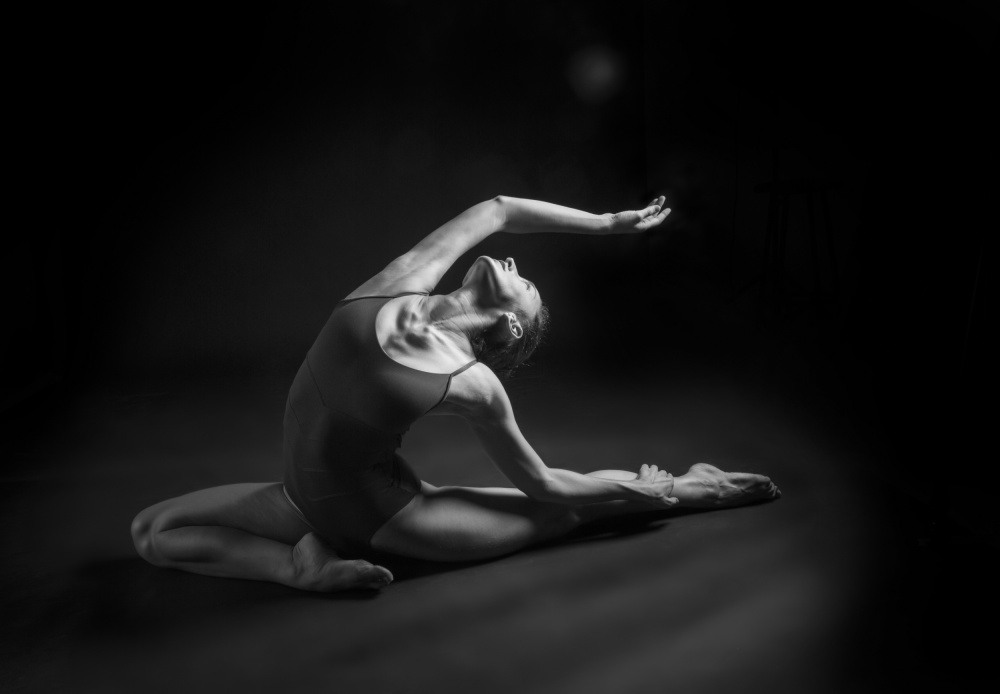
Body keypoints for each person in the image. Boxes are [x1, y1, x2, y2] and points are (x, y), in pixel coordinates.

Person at [131, 195, 780, 592]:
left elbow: (544, 483)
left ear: (512, 324)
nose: (514, 263)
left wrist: (649, 491)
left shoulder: (472, 382)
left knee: (563, 516)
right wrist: (608, 223)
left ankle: (694, 488)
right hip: (299, 498)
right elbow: (500, 210)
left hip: (386, 516)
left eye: (527, 285)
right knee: (151, 532)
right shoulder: (405, 280)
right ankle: (296, 569)